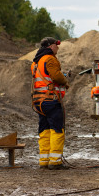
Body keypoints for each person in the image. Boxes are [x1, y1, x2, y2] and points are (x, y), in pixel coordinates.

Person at [31, 37, 69, 169]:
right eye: (56, 45)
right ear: (51, 46)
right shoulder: (50, 59)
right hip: (51, 100)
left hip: (39, 102)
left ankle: (44, 160)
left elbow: (44, 78)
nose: (58, 48)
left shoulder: (36, 62)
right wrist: (64, 81)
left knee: (44, 130)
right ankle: (55, 161)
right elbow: (56, 76)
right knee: (57, 129)